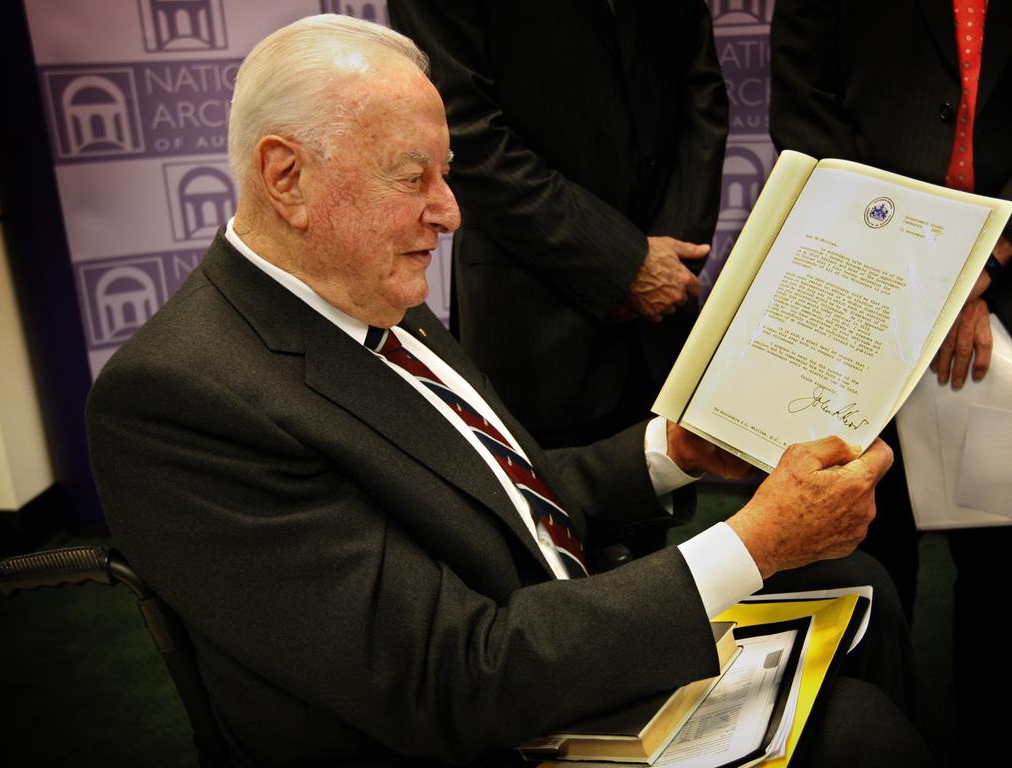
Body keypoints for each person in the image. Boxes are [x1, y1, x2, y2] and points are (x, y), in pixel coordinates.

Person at [86, 14, 932, 767]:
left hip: (532, 634)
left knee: (861, 582)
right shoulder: (181, 398)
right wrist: (754, 541)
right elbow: (444, 681)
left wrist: (670, 453)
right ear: (286, 177)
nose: (450, 212)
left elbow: (498, 499)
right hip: (476, 716)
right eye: (411, 176)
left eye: (447, 174)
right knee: (859, 734)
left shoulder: (367, 291)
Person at [769, 1, 1012, 763]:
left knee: (1003, 549)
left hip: (1007, 280)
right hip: (863, 273)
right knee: (863, 540)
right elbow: (805, 113)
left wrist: (983, 265)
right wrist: (925, 265)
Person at [385, 0, 727, 451]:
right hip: (534, 317)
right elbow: (462, 130)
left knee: (658, 502)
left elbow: (700, 90)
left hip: (662, 316)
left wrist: (673, 255)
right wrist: (625, 265)